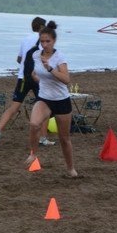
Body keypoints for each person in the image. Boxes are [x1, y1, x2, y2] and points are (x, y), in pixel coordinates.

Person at [23, 21, 77, 177]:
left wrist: (50, 69)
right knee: (34, 124)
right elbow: (34, 73)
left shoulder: (59, 57)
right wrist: (40, 80)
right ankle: (33, 154)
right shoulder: (35, 55)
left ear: (54, 41)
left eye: (48, 41)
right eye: (42, 41)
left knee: (64, 139)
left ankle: (70, 169)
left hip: (61, 100)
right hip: (44, 98)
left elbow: (66, 79)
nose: (45, 44)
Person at [0, 16, 51, 147]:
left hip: (22, 77)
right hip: (37, 78)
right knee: (46, 106)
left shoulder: (25, 39)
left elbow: (19, 59)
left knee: (14, 107)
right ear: (41, 27)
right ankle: (43, 138)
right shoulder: (43, 41)